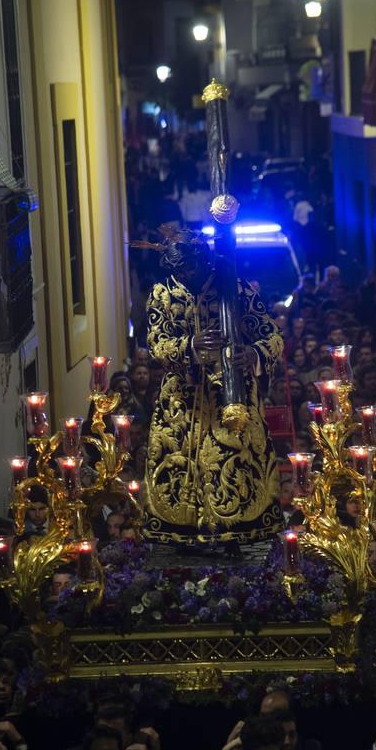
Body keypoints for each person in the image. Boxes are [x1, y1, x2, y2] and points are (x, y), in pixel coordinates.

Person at [142, 227, 284, 545]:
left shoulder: (234, 289)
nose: (189, 273)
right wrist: (190, 345)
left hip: (231, 397)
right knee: (177, 469)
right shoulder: (161, 295)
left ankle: (239, 532)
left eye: (193, 267)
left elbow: (272, 334)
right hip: (182, 401)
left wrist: (255, 353)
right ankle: (182, 535)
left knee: (237, 464)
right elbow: (156, 345)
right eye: (182, 269)